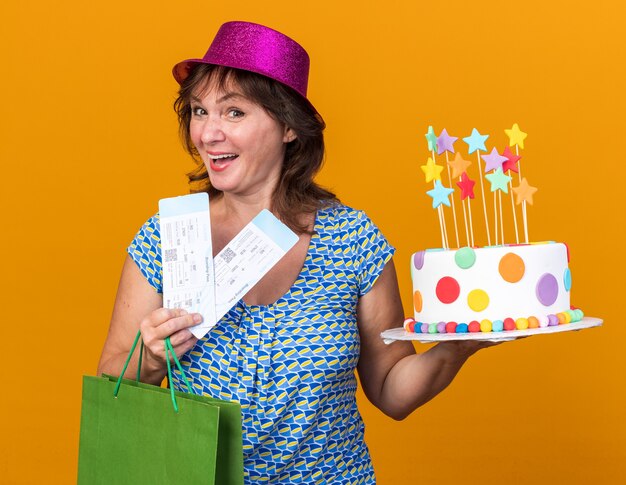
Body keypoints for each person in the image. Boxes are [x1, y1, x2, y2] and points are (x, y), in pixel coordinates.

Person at [98, 21, 493, 484]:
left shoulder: (351, 240)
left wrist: (458, 348)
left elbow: (390, 390)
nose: (207, 134)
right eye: (200, 112)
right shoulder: (166, 239)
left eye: (234, 113)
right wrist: (150, 357)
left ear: (288, 126)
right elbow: (113, 385)